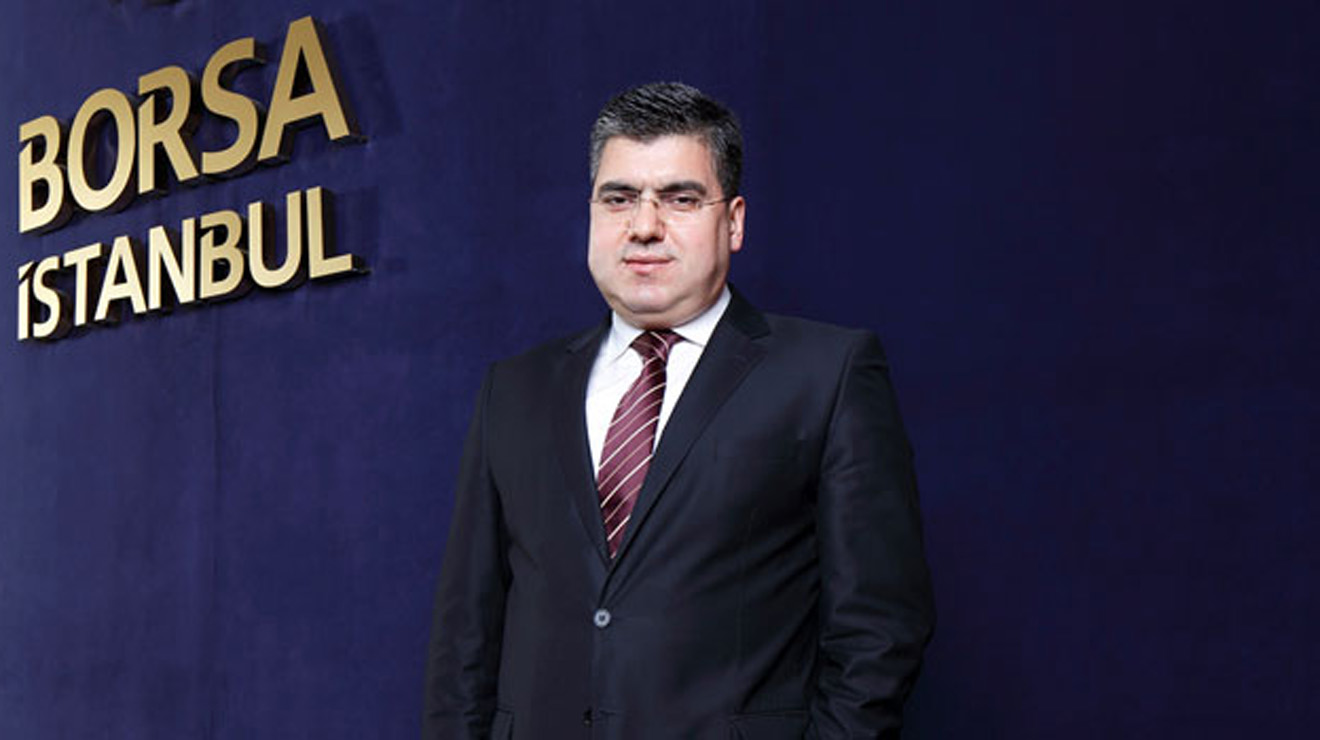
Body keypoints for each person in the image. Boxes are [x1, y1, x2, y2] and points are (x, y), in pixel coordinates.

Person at [423, 81, 935, 739]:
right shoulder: (515, 389)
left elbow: (880, 630)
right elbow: (465, 634)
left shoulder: (827, 374)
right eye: (619, 198)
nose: (643, 226)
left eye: (680, 198)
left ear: (734, 221)